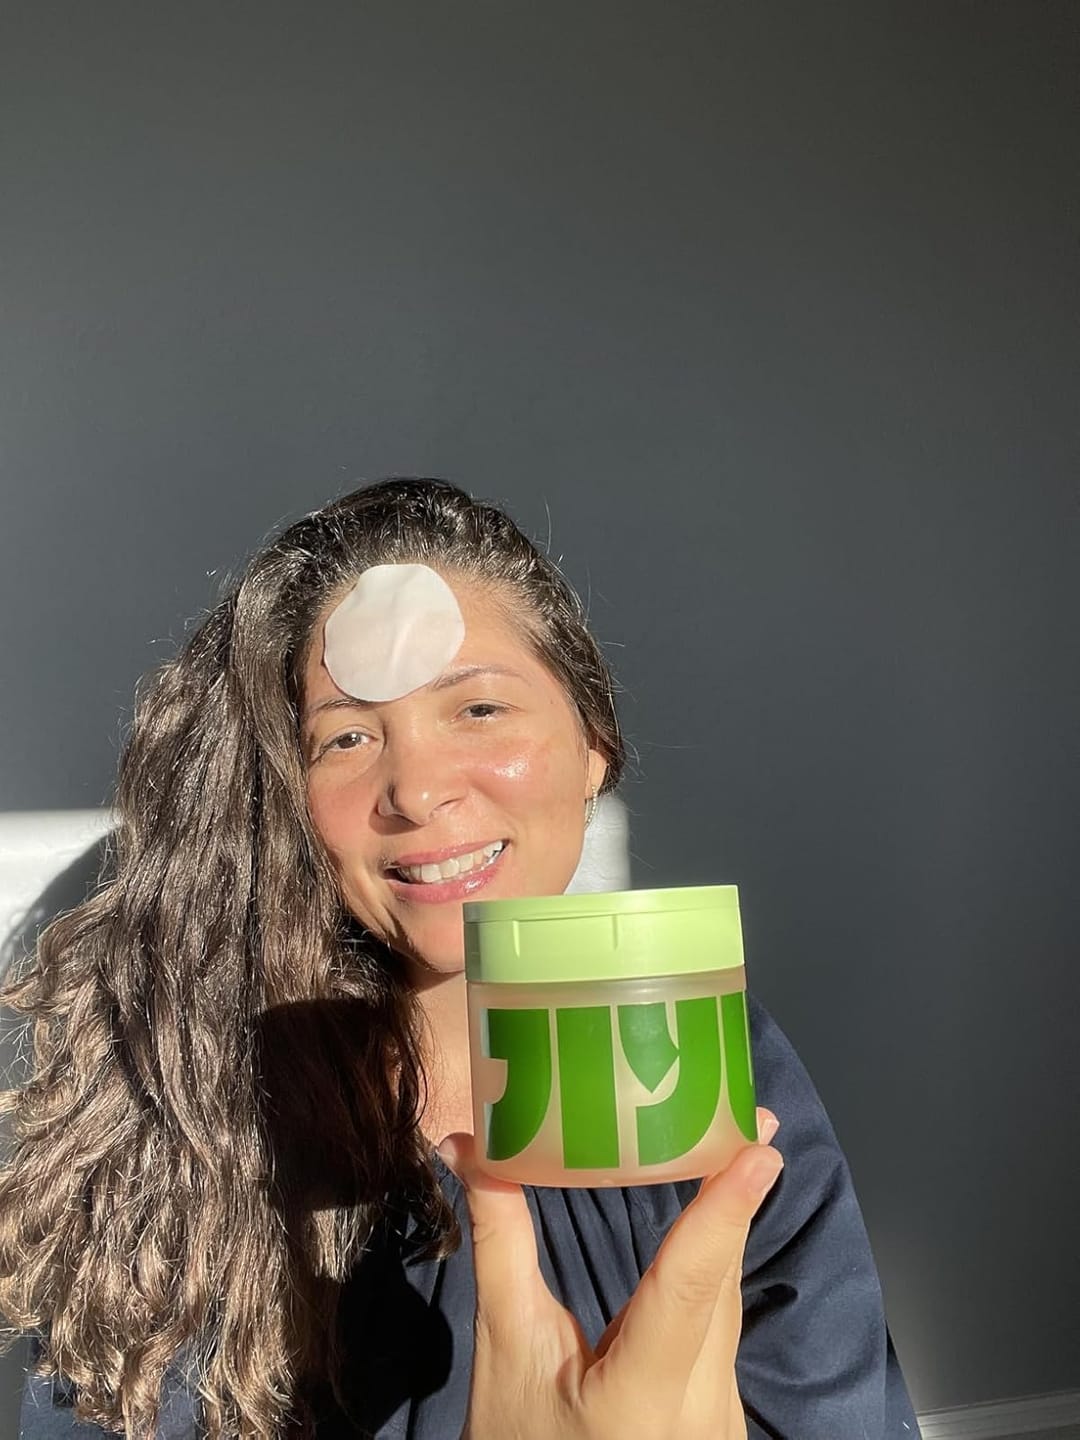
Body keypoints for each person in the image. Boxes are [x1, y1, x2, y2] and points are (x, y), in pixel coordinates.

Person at [1, 478, 922, 1439]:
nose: (416, 788)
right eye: (347, 736)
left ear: (593, 743)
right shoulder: (185, 1114)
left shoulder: (707, 1048)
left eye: (478, 709)